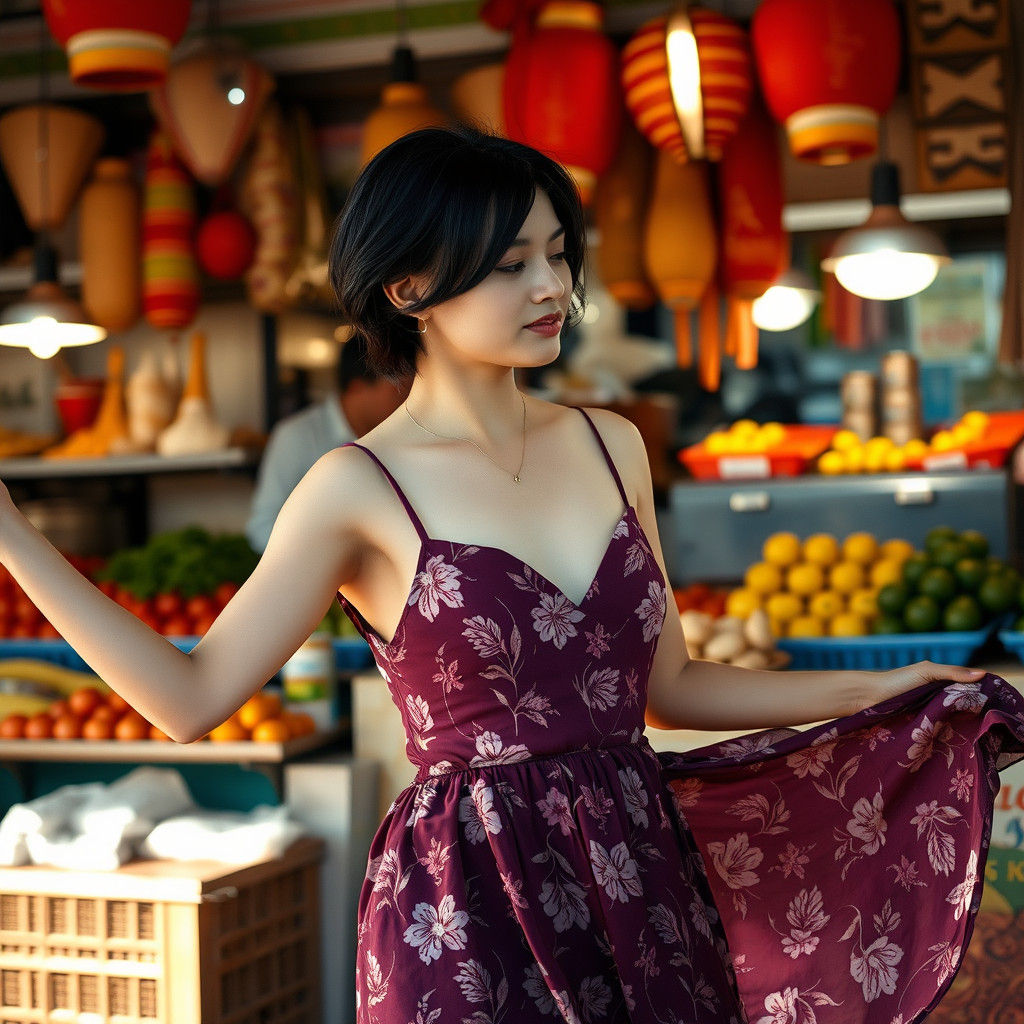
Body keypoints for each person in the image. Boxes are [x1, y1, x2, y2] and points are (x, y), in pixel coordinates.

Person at [0, 126, 1021, 1024]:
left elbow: (675, 687)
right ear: (409, 290)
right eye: (510, 264)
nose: (553, 288)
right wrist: (14, 534)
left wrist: (881, 688)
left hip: (644, 879)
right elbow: (188, 697)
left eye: (558, 254)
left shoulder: (614, 443)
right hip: (469, 904)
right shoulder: (357, 485)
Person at [246, 335, 411, 552]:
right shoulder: (297, 437)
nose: (408, 399)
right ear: (357, 387)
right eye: (399, 390)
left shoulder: (403, 437)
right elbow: (262, 528)